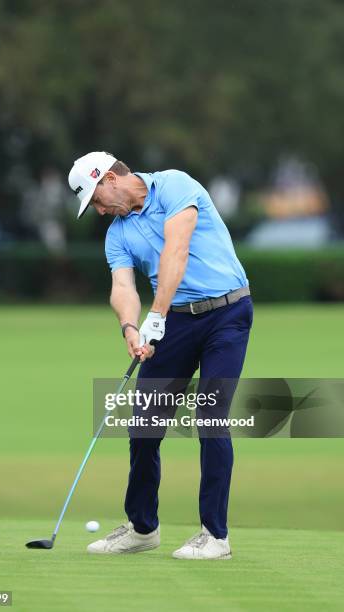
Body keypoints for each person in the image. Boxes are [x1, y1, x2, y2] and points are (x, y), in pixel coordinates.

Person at [68, 151, 253, 560]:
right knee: (144, 425)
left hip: (227, 314)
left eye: (96, 199)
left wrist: (156, 315)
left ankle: (215, 535)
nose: (98, 211)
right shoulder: (117, 232)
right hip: (174, 323)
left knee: (210, 417)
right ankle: (142, 528)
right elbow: (122, 287)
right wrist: (131, 328)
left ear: (110, 179)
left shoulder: (175, 185)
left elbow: (177, 251)